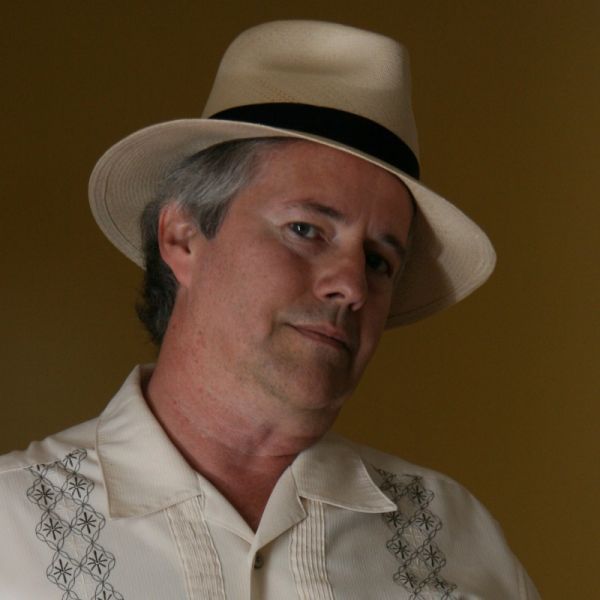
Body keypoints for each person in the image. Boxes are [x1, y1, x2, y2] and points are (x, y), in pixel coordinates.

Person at [0, 20, 540, 599]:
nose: (351, 285)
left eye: (379, 261)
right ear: (183, 237)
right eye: (306, 229)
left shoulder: (455, 537)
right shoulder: (14, 526)